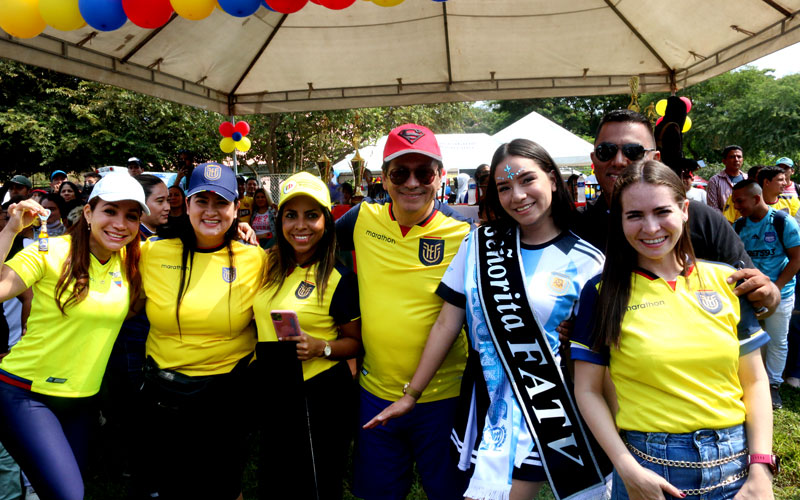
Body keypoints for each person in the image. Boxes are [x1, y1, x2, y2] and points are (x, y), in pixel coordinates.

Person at [365, 139, 609, 500]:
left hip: (548, 408)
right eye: (504, 187)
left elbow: (600, 351)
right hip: (484, 401)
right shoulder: (479, 245)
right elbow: (447, 323)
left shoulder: (588, 261)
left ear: (553, 180)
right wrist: (411, 395)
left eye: (527, 180)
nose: (517, 195)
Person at [572, 160, 775, 500]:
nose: (650, 228)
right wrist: (627, 467)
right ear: (620, 220)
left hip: (739, 470)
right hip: (649, 470)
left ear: (684, 210)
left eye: (661, 211)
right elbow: (588, 390)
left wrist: (760, 470)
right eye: (634, 215)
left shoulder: (727, 281)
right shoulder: (601, 293)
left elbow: (754, 381)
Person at [337, 123, 473, 500]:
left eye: (424, 172)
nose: (412, 182)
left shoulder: (464, 232)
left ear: (440, 176)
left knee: (449, 494)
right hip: (374, 391)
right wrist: (246, 237)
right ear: (384, 178)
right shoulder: (361, 219)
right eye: (400, 172)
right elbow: (309, 241)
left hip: (443, 397)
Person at [0, 174, 148, 500]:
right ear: (88, 213)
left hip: (82, 403)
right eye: (110, 211)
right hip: (26, 394)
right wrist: (10, 230)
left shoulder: (131, 260)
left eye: (131, 216)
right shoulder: (49, 250)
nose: (120, 224)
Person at [139, 162, 265, 500]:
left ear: (236, 209)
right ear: (187, 205)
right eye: (201, 201)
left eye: (221, 202)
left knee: (224, 483)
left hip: (229, 391)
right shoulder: (151, 253)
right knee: (174, 485)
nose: (211, 212)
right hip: (166, 391)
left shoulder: (255, 259)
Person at [574, 109, 779, 314]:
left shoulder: (703, 220)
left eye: (633, 151)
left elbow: (756, 298)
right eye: (606, 151)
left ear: (655, 158)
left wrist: (769, 295)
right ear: (594, 159)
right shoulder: (576, 229)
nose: (618, 161)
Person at [252, 172, 361, 500]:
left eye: (311, 215)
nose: (301, 225)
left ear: (326, 222)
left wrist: (321, 347)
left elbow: (356, 342)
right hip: (273, 387)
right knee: (277, 476)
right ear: (279, 219)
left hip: (321, 393)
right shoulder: (266, 264)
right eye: (291, 215)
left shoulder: (338, 278)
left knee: (318, 481)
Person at [731, 179, 800, 410]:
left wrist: (776, 288)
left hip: (781, 291)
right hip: (749, 295)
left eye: (740, 201)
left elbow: (796, 258)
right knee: (752, 340)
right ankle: (753, 383)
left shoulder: (782, 221)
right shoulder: (739, 226)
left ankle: (773, 385)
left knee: (778, 341)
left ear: (756, 198)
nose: (736, 206)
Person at [706, 145, 745, 212]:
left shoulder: (748, 179)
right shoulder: (715, 181)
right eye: (732, 157)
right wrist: (726, 221)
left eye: (739, 157)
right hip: (722, 221)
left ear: (742, 160)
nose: (736, 159)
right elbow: (713, 208)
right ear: (724, 161)